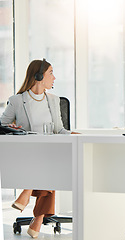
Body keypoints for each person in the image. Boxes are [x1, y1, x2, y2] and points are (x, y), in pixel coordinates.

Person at [0, 59, 74, 238]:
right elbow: (2, 124)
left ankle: (29, 193)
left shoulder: (54, 100)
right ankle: (38, 219)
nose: (54, 77)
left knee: (51, 162)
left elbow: (59, 129)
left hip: (50, 151)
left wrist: (71, 134)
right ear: (39, 76)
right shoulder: (17, 101)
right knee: (51, 167)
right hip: (29, 151)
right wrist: (15, 127)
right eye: (51, 73)